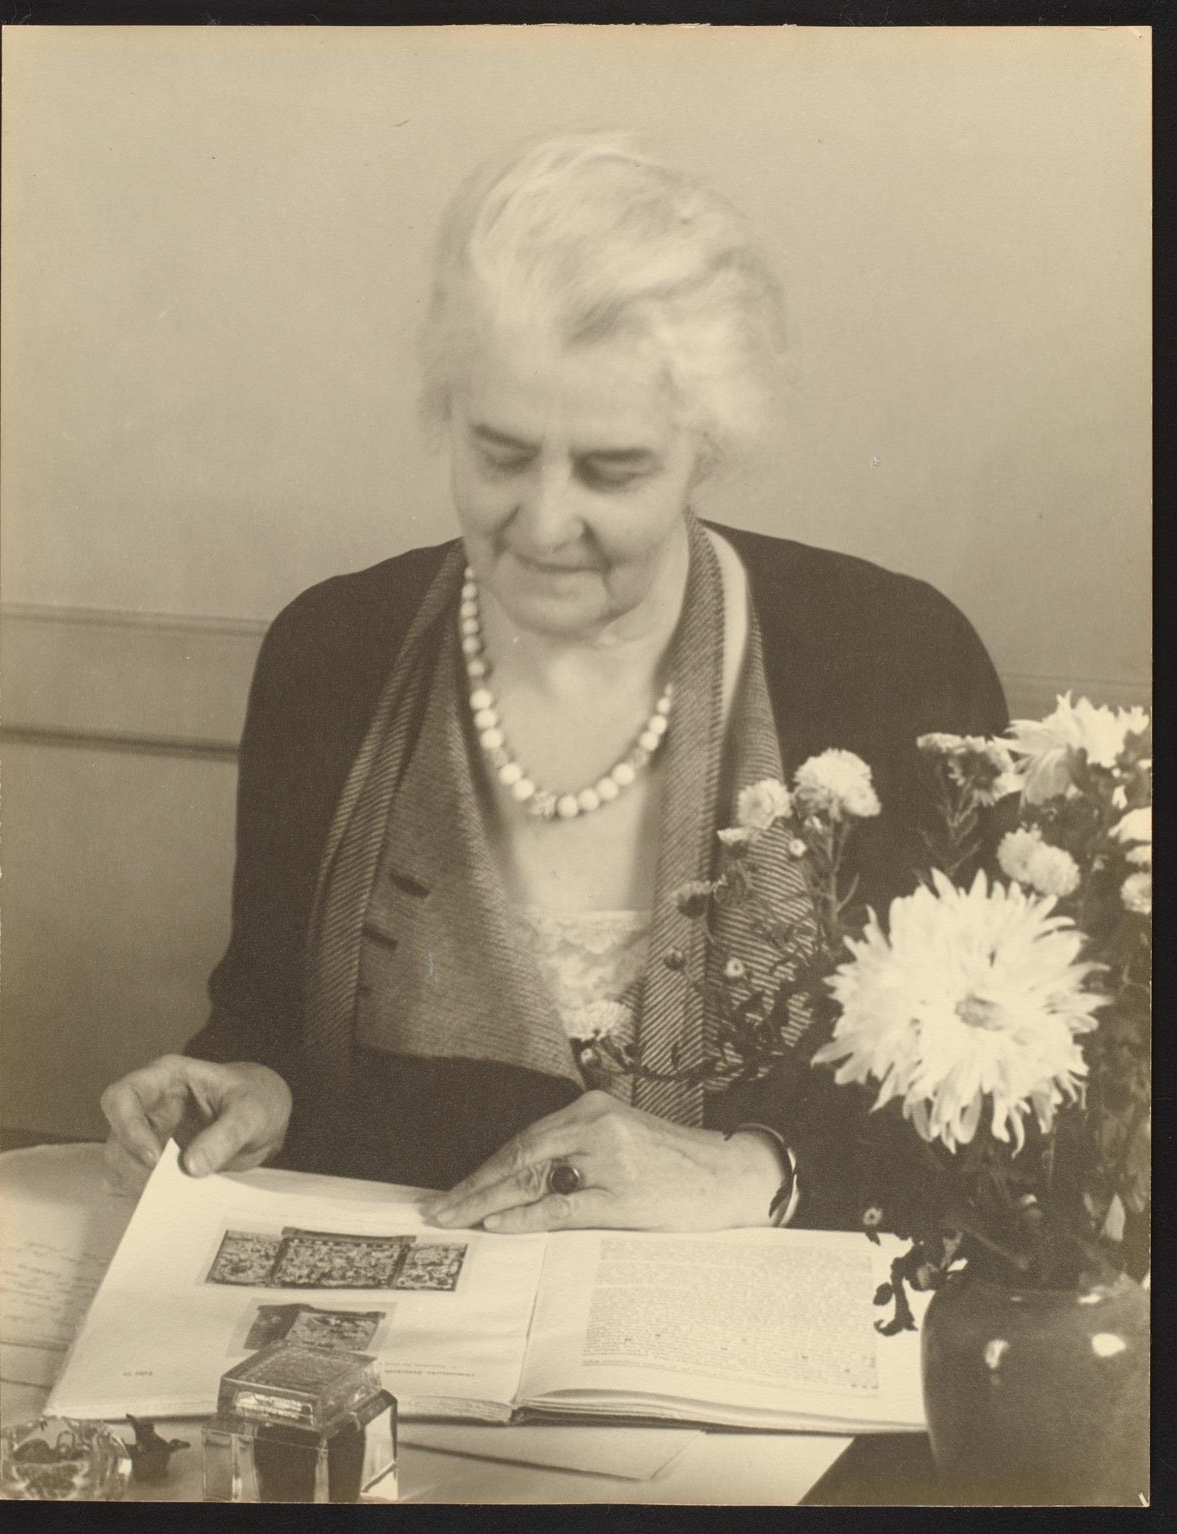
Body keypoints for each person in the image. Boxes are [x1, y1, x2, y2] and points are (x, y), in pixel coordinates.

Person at [101, 131, 1006, 1233]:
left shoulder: (891, 662)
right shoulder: (331, 654)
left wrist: (755, 1170)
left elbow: (989, 1108)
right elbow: (267, 1018)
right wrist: (253, 1091)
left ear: (706, 447)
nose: (540, 522)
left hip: (748, 1357)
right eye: (499, 452)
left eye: (610, 469)